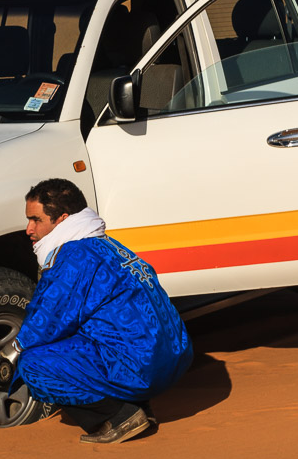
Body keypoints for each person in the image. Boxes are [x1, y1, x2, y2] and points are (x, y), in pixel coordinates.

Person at [13, 178, 193, 444]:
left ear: (61, 219)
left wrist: (14, 350)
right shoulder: (111, 246)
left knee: (33, 364)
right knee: (93, 334)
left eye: (36, 220)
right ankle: (139, 406)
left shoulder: (74, 257)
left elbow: (48, 320)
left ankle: (121, 416)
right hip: (174, 356)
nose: (28, 229)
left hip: (142, 366)